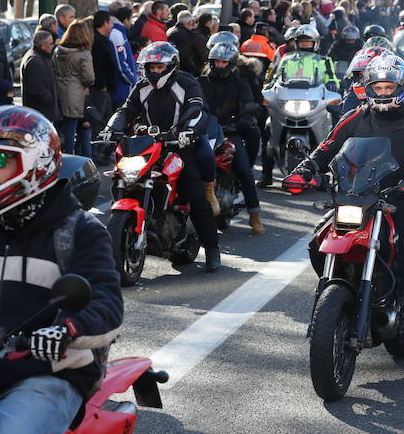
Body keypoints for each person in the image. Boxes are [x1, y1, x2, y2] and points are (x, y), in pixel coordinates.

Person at [0, 105, 124, 434]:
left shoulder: (79, 231)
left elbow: (106, 304)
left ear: (35, 165)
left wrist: (65, 331)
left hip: (47, 375)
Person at [285, 54, 404, 344]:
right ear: (369, 87)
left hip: (403, 197)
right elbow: (326, 149)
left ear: (401, 86)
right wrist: (305, 171)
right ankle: (340, 291)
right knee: (317, 243)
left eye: (389, 88)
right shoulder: (355, 116)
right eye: (378, 88)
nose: (384, 93)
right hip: (357, 196)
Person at [103, 42, 222, 272]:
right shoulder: (142, 86)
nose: (154, 72)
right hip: (147, 145)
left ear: (170, 66)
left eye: (159, 67)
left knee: (195, 193)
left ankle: (212, 248)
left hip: (179, 145)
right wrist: (111, 128)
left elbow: (198, 108)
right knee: (121, 176)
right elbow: (126, 110)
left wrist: (189, 130)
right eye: (151, 67)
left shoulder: (187, 82)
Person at [199, 42, 265, 235]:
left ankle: (254, 214)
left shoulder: (240, 83)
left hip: (229, 131)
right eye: (216, 62)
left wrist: (244, 118)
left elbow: (248, 105)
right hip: (203, 132)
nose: (219, 65)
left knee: (244, 169)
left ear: (232, 63)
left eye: (223, 62)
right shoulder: (201, 82)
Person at [54, 20, 96, 157]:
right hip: (76, 93)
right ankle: (72, 159)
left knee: (62, 129)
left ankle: (59, 157)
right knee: (75, 131)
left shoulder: (58, 51)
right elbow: (89, 78)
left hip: (59, 92)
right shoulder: (84, 54)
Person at [20, 30, 61, 124]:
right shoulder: (34, 60)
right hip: (39, 112)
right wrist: (49, 98)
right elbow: (37, 89)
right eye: (51, 43)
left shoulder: (42, 57)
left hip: (43, 111)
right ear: (42, 45)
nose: (53, 45)